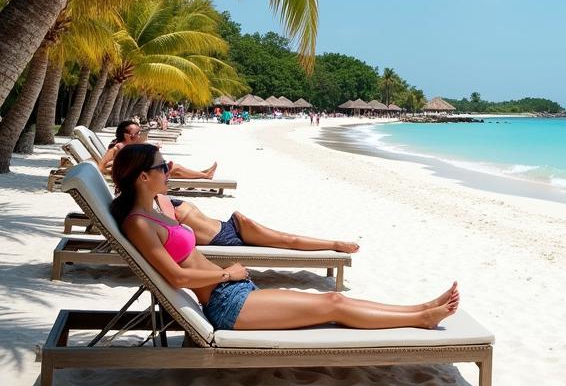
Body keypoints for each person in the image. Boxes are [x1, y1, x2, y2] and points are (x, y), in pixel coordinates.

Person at [110, 143, 458, 331]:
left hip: (235, 291)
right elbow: (176, 276)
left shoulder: (155, 210)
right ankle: (420, 319)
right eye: (162, 167)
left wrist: (231, 276)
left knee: (332, 303)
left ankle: (421, 308)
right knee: (332, 305)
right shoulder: (139, 224)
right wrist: (226, 273)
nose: (168, 170)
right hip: (226, 305)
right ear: (143, 177)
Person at [154, 192, 360, 255]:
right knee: (287, 240)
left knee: (286, 239)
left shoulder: (162, 198)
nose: (165, 172)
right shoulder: (157, 209)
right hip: (226, 237)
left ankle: (335, 244)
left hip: (229, 227)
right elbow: (174, 233)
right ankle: (335, 244)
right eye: (160, 168)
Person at [100, 120, 217, 180]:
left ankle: (203, 173)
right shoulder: (117, 147)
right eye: (137, 133)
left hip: (144, 172)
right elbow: (102, 166)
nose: (139, 135)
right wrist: (115, 167)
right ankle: (205, 175)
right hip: (139, 177)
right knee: (176, 168)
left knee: (176, 168)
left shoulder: (131, 145)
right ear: (127, 135)